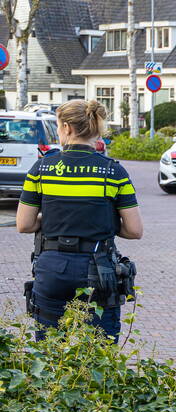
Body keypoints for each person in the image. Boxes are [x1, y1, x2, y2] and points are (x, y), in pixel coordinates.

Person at [16, 100, 143, 342]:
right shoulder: (113, 172)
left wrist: (54, 219)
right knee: (100, 352)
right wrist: (97, 221)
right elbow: (134, 230)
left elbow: (24, 224)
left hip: (52, 267)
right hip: (98, 269)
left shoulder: (41, 169)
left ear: (66, 127)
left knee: (48, 353)